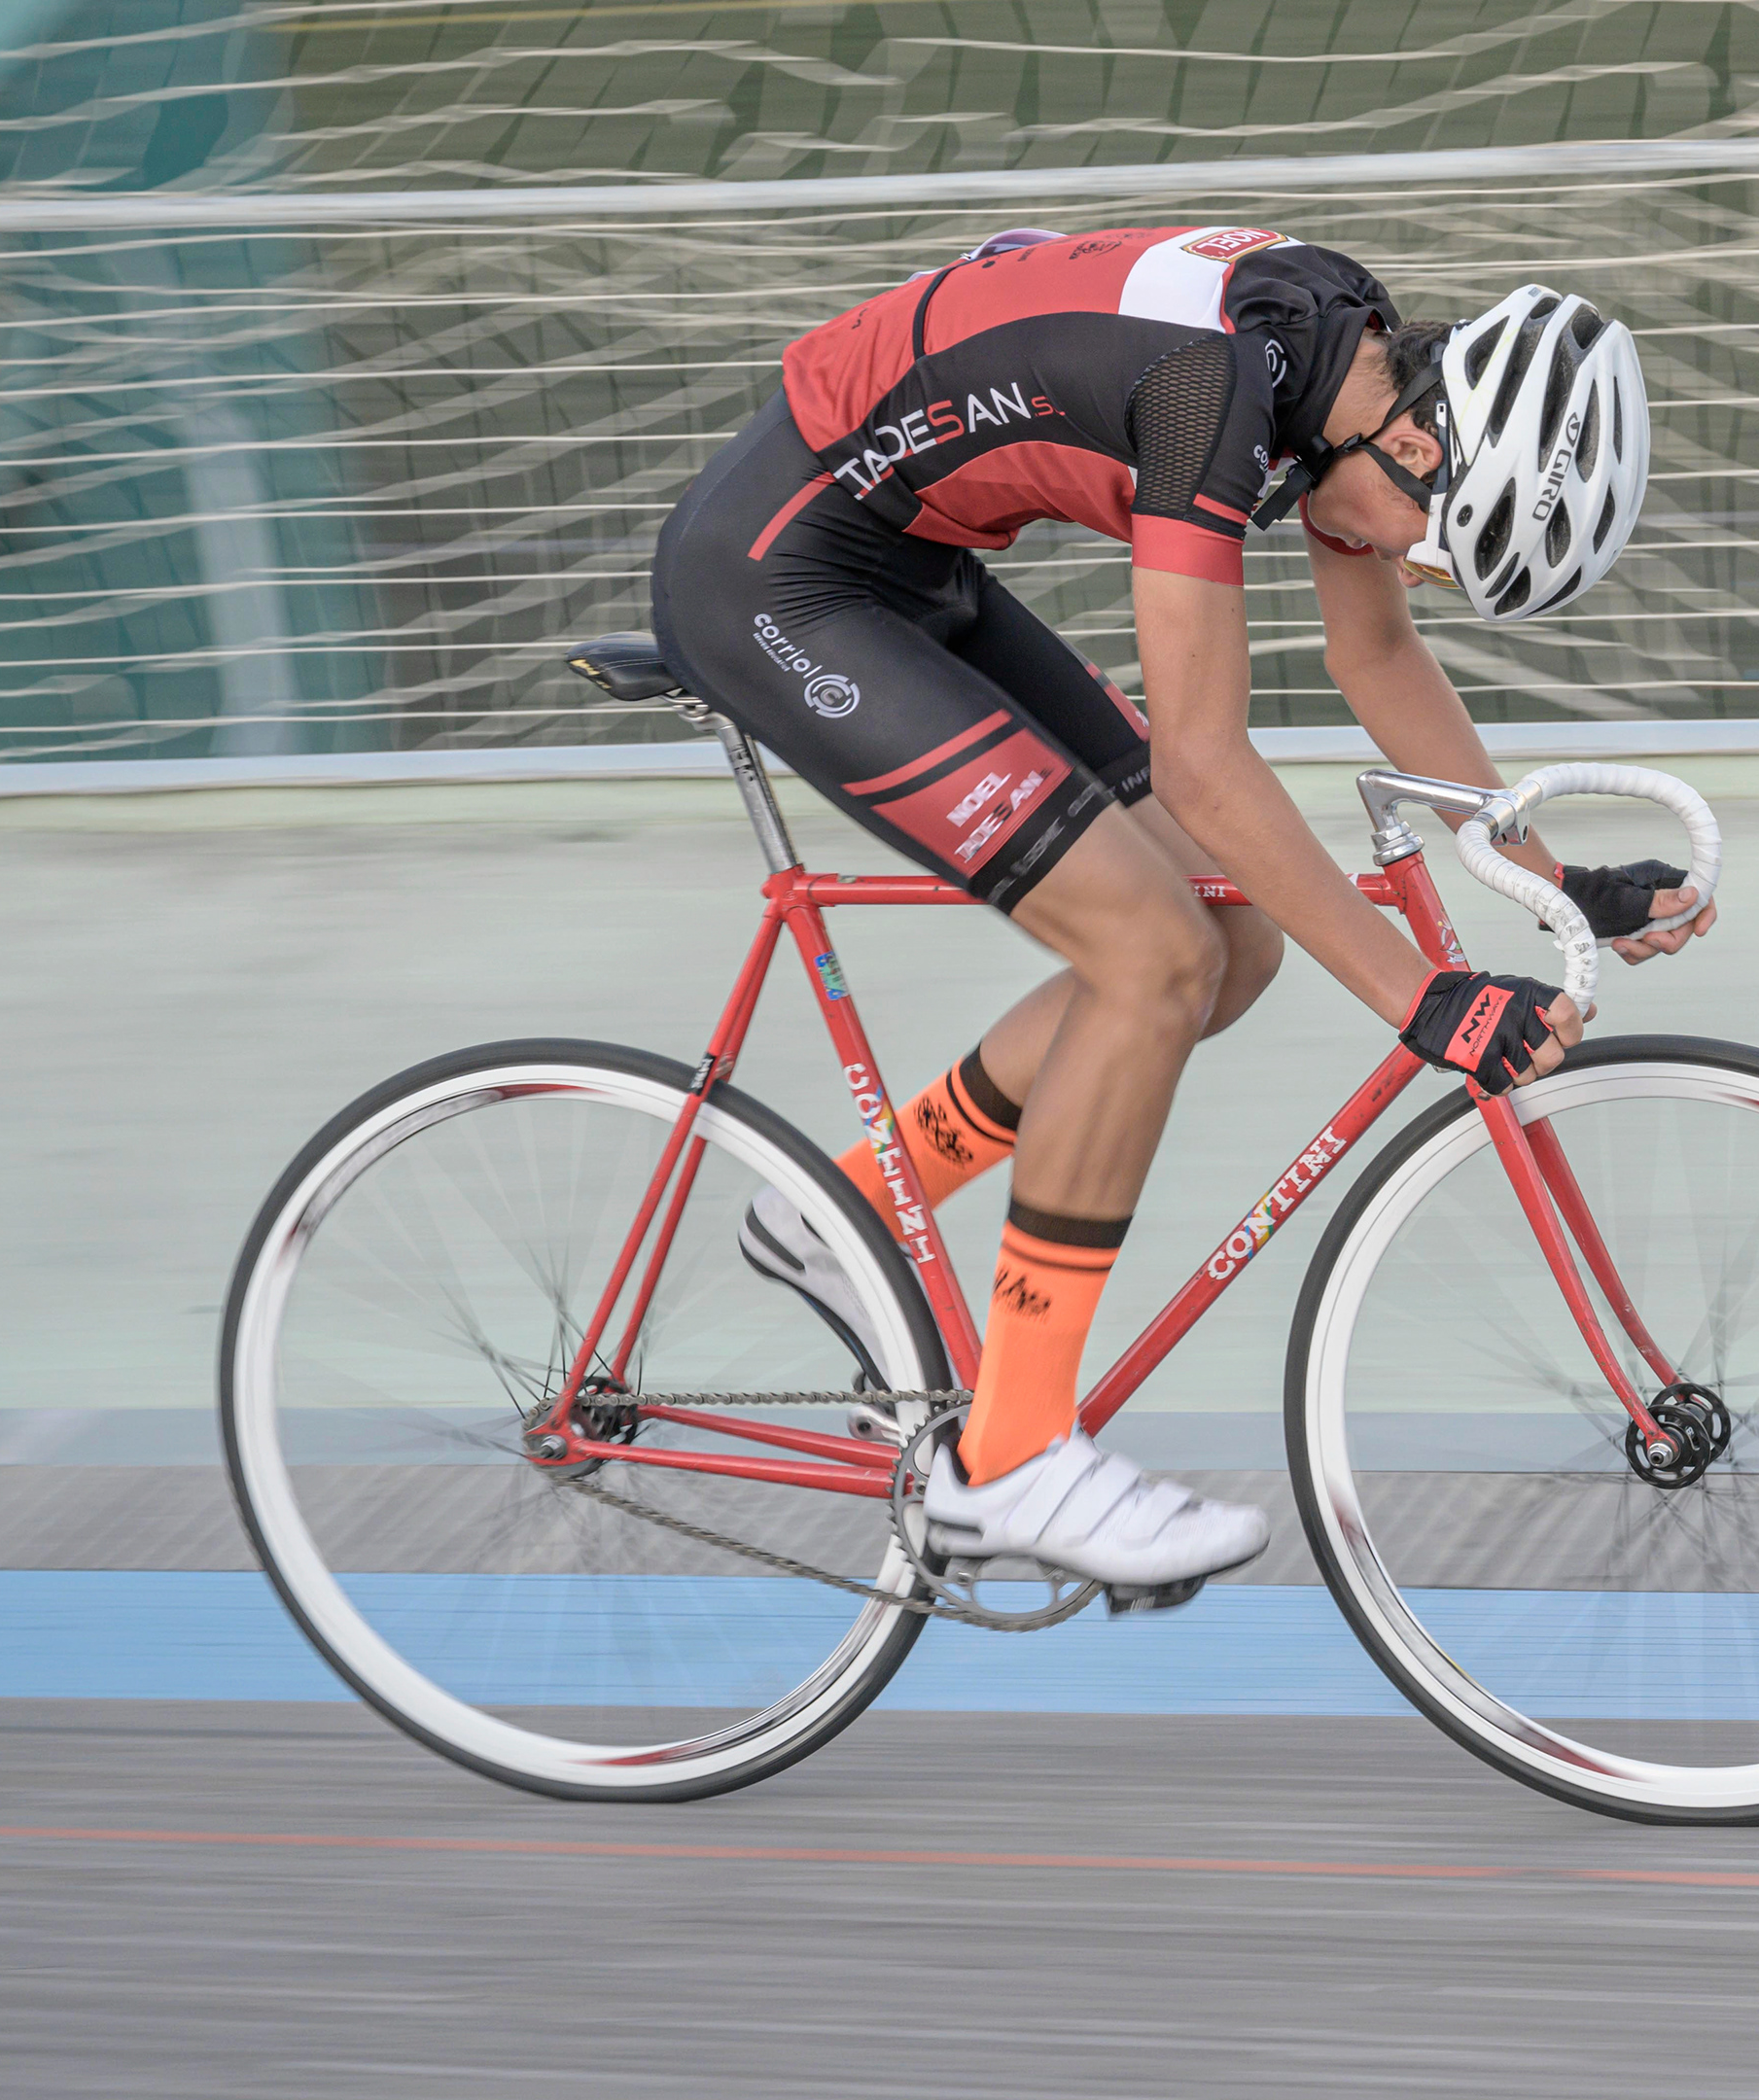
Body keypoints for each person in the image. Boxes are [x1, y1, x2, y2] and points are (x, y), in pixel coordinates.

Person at [646, 225, 1704, 1598]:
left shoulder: (1348, 372)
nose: (1418, 573)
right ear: (1425, 453)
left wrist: (1553, 877)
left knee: (1235, 947)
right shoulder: (1214, 397)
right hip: (776, 579)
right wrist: (1419, 997)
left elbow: (1373, 652)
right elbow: (1206, 765)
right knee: (1150, 950)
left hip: (912, 568)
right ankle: (1008, 1462)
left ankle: (843, 1207)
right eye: (1441, 554)